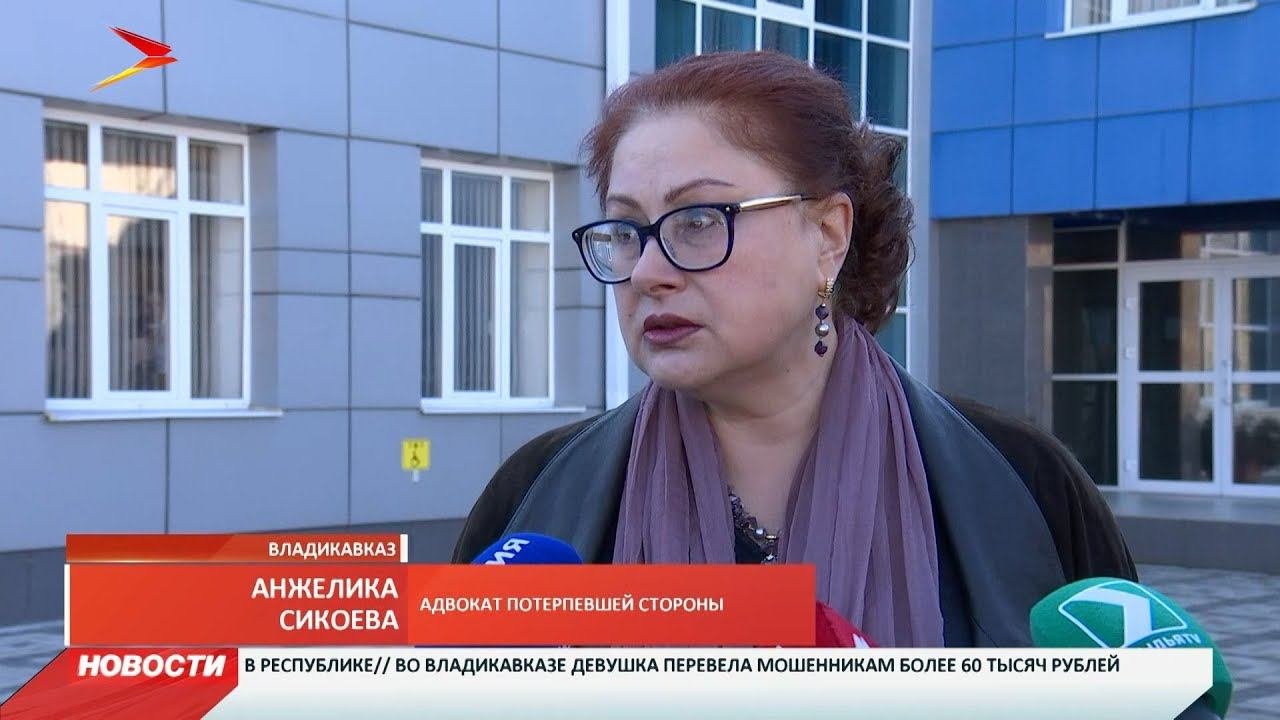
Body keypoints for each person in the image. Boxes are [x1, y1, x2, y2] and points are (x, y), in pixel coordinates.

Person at [452, 51, 1136, 648]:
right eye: (627, 231)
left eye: (698, 221)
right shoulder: (536, 497)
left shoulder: (1021, 484)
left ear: (829, 236)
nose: (647, 272)